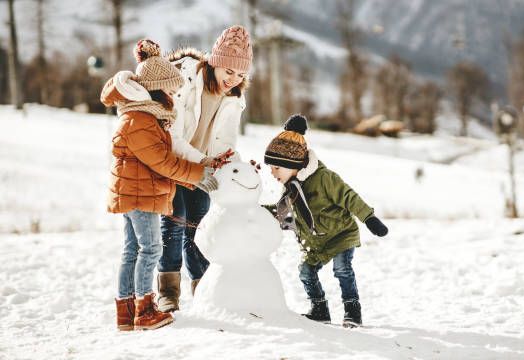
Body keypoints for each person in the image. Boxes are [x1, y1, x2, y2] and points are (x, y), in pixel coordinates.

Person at [100, 39, 226, 331]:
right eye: (170, 89)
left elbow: (161, 160)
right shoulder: (139, 120)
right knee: (151, 249)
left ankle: (126, 312)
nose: (174, 95)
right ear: (156, 88)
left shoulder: (146, 117)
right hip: (138, 194)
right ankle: (145, 310)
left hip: (136, 192)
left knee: (133, 250)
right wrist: (197, 173)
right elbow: (162, 161)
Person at [155, 25, 253, 312]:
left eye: (240, 75)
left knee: (198, 226)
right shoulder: (185, 80)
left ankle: (204, 287)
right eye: (229, 71)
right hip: (173, 162)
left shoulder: (234, 98)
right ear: (215, 62)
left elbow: (226, 143)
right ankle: (168, 291)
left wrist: (239, 169)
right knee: (174, 222)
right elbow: (172, 133)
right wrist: (201, 162)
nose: (233, 79)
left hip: (202, 168)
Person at [263, 114, 389, 328]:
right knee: (305, 272)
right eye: (271, 167)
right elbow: (282, 215)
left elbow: (349, 196)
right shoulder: (290, 188)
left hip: (341, 235)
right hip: (316, 243)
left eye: (276, 167)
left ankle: (352, 310)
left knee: (342, 269)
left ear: (293, 164)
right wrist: (254, 212)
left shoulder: (324, 178)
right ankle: (320, 309)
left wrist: (369, 218)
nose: (272, 172)